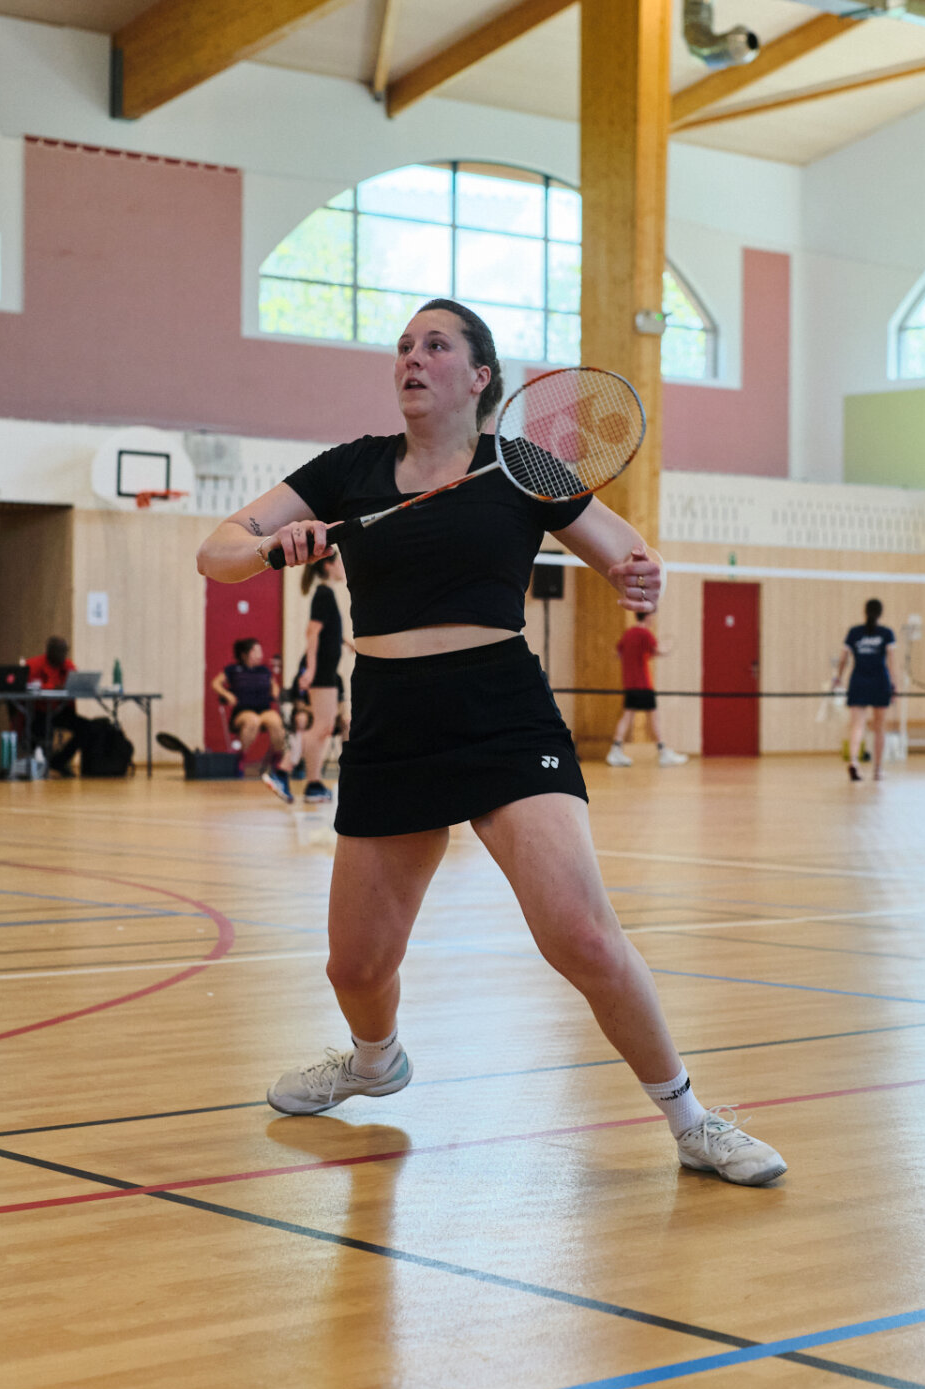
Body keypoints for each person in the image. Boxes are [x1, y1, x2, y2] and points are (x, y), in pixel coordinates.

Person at [194, 298, 783, 1185]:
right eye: (403, 346)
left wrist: (641, 576)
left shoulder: (520, 467)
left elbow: (625, 552)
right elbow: (217, 551)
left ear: (479, 377)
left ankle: (693, 1120)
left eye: (435, 346)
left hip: (500, 711)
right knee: (356, 966)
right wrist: (274, 546)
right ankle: (374, 1062)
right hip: (390, 719)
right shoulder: (350, 468)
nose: (411, 358)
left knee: (582, 935)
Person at [213, 638, 298, 801]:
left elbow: (274, 685)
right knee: (252, 721)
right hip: (243, 711)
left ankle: (277, 760)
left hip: (263, 709)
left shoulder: (264, 670)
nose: (260, 654)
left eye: (260, 651)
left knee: (276, 722)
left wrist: (275, 691)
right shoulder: (233, 669)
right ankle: (241, 758)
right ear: (245, 654)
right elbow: (215, 683)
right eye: (256, 651)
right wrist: (227, 694)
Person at [293, 556, 348, 803]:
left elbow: (328, 631)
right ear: (328, 565)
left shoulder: (326, 593)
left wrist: (346, 643)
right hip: (323, 670)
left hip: (327, 670)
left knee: (324, 727)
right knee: (321, 727)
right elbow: (312, 633)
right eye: (339, 562)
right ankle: (291, 773)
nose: (343, 566)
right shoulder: (323, 594)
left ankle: (312, 784)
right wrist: (312, 669)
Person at [607, 609, 688, 767]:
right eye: (652, 616)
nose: (653, 618)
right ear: (647, 616)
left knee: (627, 716)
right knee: (654, 717)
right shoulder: (646, 634)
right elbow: (657, 650)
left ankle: (615, 750)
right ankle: (663, 752)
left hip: (629, 684)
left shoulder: (628, 634)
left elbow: (619, 654)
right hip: (643, 684)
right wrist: (665, 651)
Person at [833, 599, 897, 781]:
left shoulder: (855, 632)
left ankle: (853, 762)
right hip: (880, 682)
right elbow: (892, 662)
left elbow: (843, 658)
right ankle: (878, 770)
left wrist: (838, 677)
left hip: (858, 682)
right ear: (880, 613)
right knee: (879, 727)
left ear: (865, 612)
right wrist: (894, 685)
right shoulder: (886, 633)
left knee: (857, 725)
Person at [25, 635, 80, 776]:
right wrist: (54, 687)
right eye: (59, 650)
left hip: (60, 711)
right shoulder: (34, 665)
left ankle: (59, 761)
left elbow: (75, 682)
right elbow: (29, 686)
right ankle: (42, 764)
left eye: (65, 650)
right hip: (38, 711)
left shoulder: (67, 665)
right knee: (42, 728)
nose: (63, 654)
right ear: (49, 651)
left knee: (86, 728)